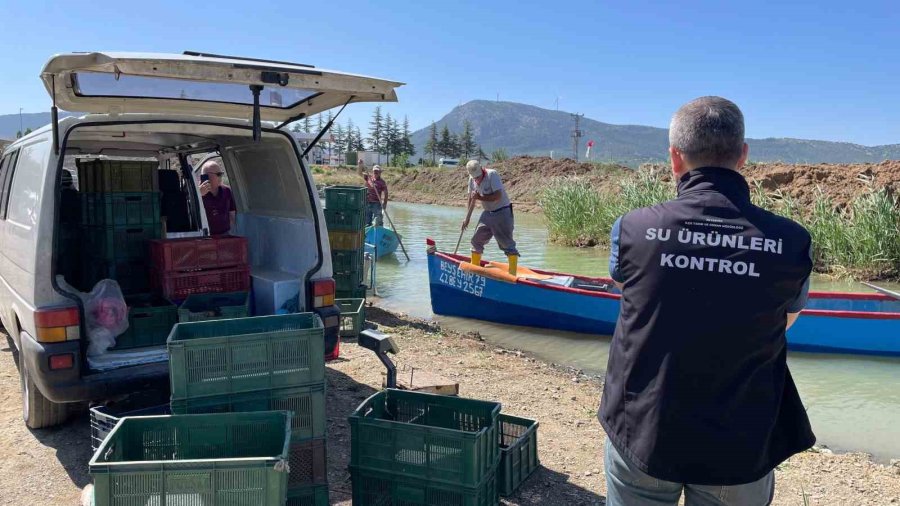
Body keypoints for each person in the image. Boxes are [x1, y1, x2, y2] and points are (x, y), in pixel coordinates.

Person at [600, 96, 814, 505]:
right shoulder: (791, 241)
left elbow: (632, 296)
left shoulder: (632, 228)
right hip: (739, 442)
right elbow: (784, 321)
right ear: (743, 156)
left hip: (643, 429)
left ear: (675, 159)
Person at [462, 160, 519, 275]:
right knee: (476, 240)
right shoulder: (472, 180)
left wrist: (480, 197)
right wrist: (467, 218)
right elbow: (471, 199)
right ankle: (475, 270)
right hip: (487, 213)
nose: (477, 179)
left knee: (507, 244)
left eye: (478, 176)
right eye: (474, 177)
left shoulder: (492, 175)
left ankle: (512, 274)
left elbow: (498, 196)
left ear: (482, 169)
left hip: (502, 212)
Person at [199, 160, 236, 235]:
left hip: (225, 234)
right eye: (218, 174)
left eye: (221, 174)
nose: (221, 177)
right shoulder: (197, 193)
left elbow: (232, 213)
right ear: (206, 176)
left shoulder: (227, 190)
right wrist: (199, 195)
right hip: (205, 237)